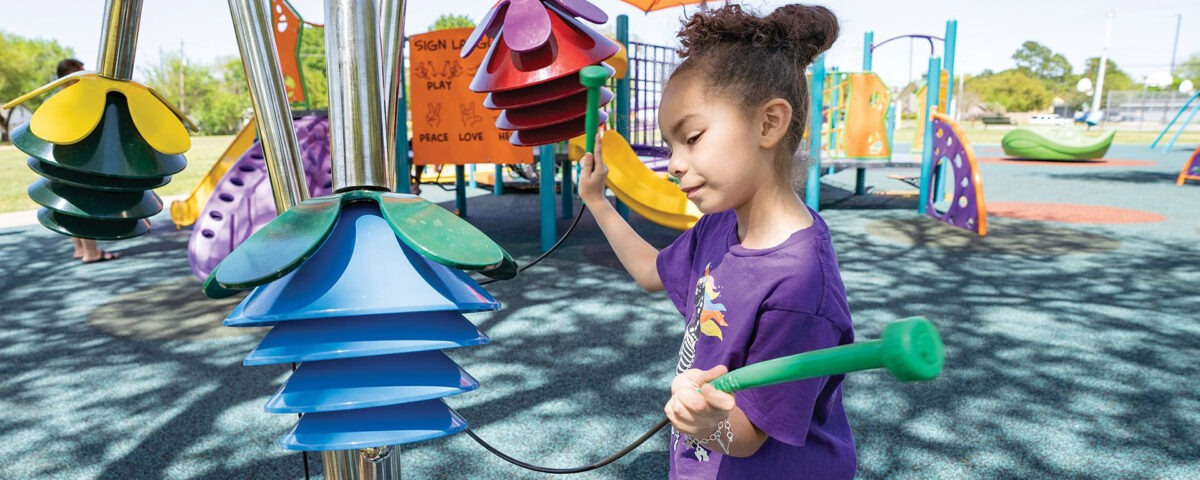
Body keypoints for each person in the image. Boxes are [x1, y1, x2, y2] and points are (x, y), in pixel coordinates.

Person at [577, 4, 854, 479]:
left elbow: (746, 438)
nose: (675, 164)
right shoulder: (721, 226)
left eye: (693, 137)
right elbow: (651, 273)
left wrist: (707, 423)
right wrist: (597, 201)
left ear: (769, 124)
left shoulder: (800, 288)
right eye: (670, 147)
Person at [55, 58, 119, 264]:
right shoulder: (76, 97)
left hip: (62, 158)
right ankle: (91, 253)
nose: (84, 75)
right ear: (71, 74)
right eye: (80, 71)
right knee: (83, 205)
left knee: (71, 203)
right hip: (78, 158)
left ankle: (79, 249)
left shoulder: (57, 97)